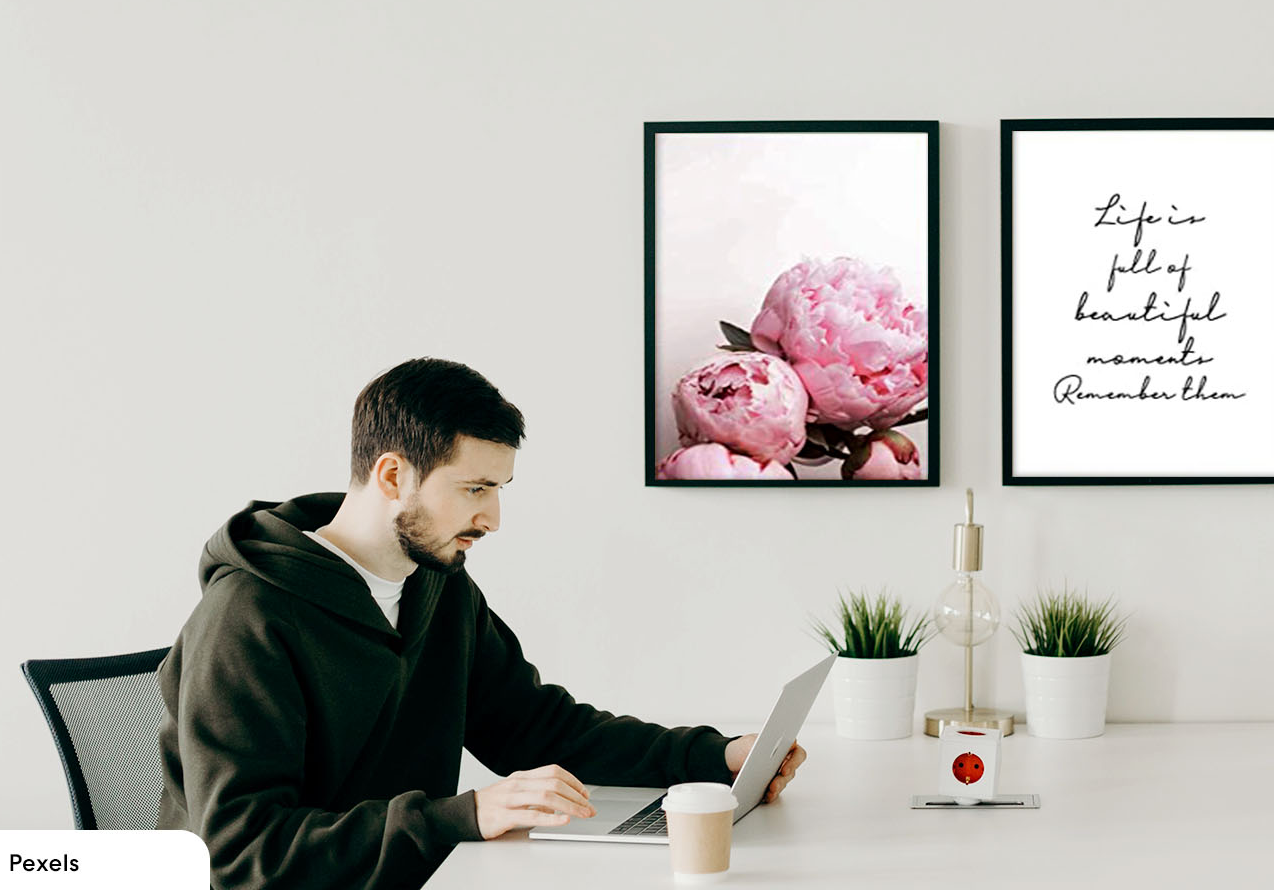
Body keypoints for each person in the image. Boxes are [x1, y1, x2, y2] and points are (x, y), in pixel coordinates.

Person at [157, 358, 805, 889]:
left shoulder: (436, 584)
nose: (492, 518)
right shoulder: (249, 615)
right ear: (392, 475)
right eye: (474, 489)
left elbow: (536, 728)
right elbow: (237, 854)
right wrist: (460, 818)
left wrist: (711, 757)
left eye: (500, 489)